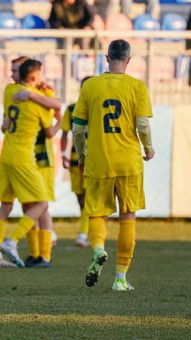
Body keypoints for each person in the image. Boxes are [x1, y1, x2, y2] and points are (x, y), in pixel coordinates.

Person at [72, 39, 155, 291]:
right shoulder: (138, 86)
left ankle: (98, 249)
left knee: (97, 213)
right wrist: (149, 148)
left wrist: (82, 158)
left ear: (106, 58)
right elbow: (142, 124)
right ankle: (120, 278)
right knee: (127, 217)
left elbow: (77, 129)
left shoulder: (91, 86)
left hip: (99, 160)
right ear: (128, 60)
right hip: (129, 161)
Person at [0, 56, 62, 269]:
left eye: (15, 70)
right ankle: (17, 244)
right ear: (33, 76)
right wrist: (60, 119)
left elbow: (7, 122)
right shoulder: (39, 98)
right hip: (27, 157)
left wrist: (32, 93)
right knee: (41, 204)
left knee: (21, 205)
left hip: (13, 156)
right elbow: (54, 117)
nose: (12, 73)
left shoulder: (9, 92)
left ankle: (40, 255)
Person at [60, 76, 93, 248]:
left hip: (93, 159)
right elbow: (65, 134)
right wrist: (63, 154)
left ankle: (82, 234)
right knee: (80, 197)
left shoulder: (97, 109)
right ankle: (87, 227)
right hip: (75, 159)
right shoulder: (72, 108)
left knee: (88, 197)